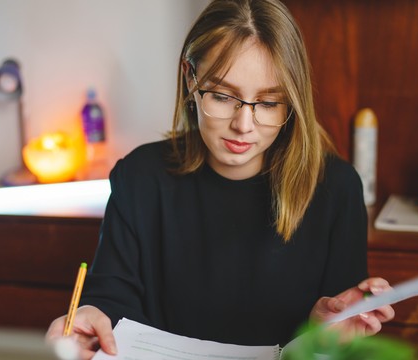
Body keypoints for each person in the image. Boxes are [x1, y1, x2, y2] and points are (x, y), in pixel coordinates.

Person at [46, 0, 395, 358]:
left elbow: (336, 336)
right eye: (223, 96)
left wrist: (322, 333)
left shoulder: (336, 189)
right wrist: (89, 320)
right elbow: (110, 303)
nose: (244, 126)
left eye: (269, 103)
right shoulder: (139, 177)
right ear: (189, 78)